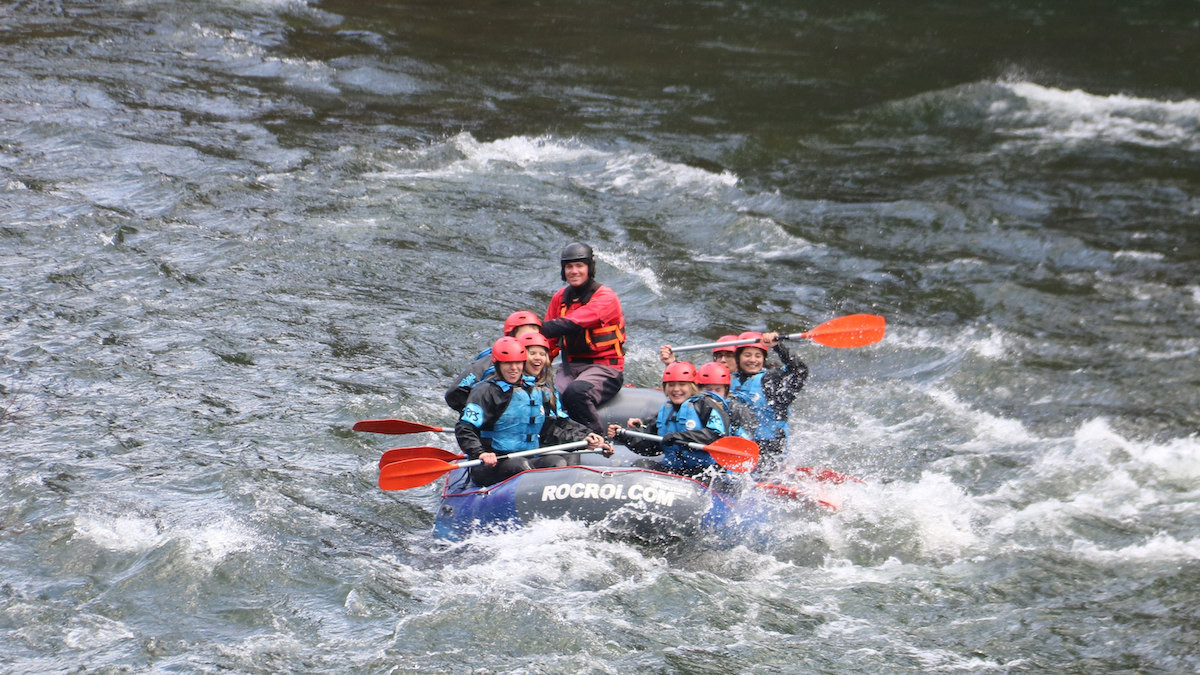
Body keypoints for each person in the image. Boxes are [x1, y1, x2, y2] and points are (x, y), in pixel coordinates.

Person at [455, 336, 610, 487]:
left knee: (557, 462)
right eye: (508, 363)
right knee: (520, 466)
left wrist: (584, 436)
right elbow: (465, 427)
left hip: (528, 457)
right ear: (498, 364)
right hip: (491, 463)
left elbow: (551, 428)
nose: (514, 368)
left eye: (518, 363)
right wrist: (480, 453)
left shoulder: (534, 390)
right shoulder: (485, 392)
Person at [541, 243, 626, 434]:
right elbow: (549, 342)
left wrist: (537, 327)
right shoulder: (559, 298)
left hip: (606, 368)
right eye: (569, 267)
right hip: (570, 368)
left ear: (590, 267)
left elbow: (574, 322)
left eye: (579, 266)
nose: (574, 271)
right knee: (546, 398)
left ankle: (596, 438)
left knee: (576, 393)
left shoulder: (606, 297)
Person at [605, 361, 730, 478]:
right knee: (641, 465)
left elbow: (717, 435)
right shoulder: (664, 412)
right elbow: (650, 447)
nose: (676, 389)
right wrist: (624, 436)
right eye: (671, 385)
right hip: (674, 469)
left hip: (706, 471)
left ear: (692, 387)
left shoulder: (705, 405)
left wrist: (681, 437)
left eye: (682, 384)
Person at [728, 331, 808, 471]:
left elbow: (800, 370)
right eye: (747, 355)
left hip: (770, 447)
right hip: (739, 444)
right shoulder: (729, 380)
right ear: (738, 358)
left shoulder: (772, 380)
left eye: (757, 356)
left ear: (763, 359)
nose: (752, 360)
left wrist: (778, 347)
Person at [444, 310, 544, 412]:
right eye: (526, 337)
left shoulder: (539, 365)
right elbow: (454, 394)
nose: (531, 341)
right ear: (510, 337)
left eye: (535, 337)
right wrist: (477, 412)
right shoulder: (487, 363)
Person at [695, 361, 756, 440]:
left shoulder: (737, 410)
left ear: (726, 391)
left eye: (718, 390)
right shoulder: (694, 407)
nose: (713, 394)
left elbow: (745, 438)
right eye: (708, 390)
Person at [658, 334, 739, 372]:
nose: (723, 360)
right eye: (719, 356)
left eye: (729, 356)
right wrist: (671, 363)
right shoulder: (707, 374)